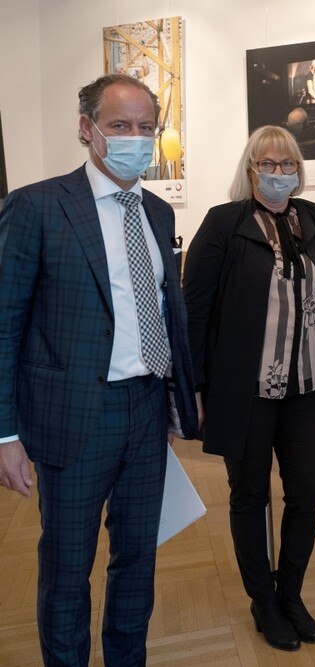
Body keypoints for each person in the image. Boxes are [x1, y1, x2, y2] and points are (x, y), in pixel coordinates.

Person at [0, 73, 198, 664]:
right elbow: (5, 325)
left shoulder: (158, 214)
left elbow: (167, 313)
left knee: (138, 557)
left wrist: (178, 401)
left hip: (145, 412)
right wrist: (5, 433)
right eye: (120, 126)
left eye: (146, 128)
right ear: (87, 129)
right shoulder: (36, 207)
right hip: (75, 417)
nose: (135, 139)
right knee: (67, 567)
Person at [183, 125, 315, 652]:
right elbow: (195, 309)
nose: (278, 174)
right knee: (249, 496)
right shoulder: (223, 223)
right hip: (244, 390)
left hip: (305, 387)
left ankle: (291, 593)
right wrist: (196, 388)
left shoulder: (310, 217)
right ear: (250, 170)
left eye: (286, 163)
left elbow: (311, 275)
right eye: (267, 165)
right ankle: (263, 603)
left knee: (307, 496)